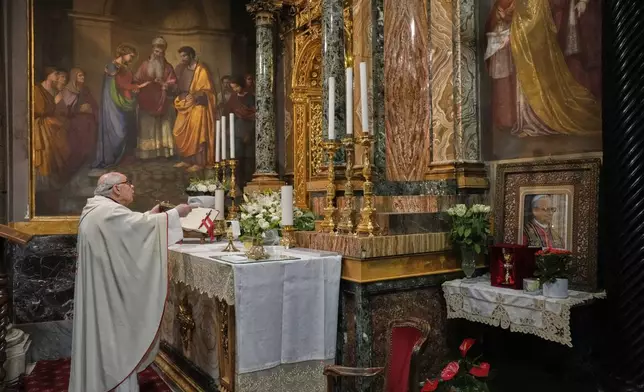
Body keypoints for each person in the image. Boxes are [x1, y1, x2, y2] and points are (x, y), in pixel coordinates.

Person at [69, 172, 192, 392]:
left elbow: (127, 230)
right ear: (116, 189)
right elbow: (129, 229)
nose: (132, 187)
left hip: (102, 291)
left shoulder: (98, 210)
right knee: (114, 341)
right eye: (128, 184)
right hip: (107, 297)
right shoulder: (107, 212)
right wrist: (174, 214)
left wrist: (150, 215)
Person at [485, 0, 601, 136]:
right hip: (523, 34)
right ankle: (526, 117)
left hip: (534, 36)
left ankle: (537, 116)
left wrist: (514, 34)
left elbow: (533, 20)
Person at [93, 44, 150, 169]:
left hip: (126, 101)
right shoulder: (112, 67)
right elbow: (118, 86)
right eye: (130, 56)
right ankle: (113, 158)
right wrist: (138, 86)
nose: (131, 59)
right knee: (119, 130)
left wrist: (135, 87)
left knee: (128, 129)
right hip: (115, 104)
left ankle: (124, 157)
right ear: (123, 53)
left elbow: (128, 83)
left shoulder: (124, 67)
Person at [172, 46, 217, 172]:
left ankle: (199, 162)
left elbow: (208, 91)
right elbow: (179, 87)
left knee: (197, 135)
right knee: (179, 131)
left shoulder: (201, 70)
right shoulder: (181, 69)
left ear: (191, 55)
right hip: (184, 104)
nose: (182, 58)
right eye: (181, 56)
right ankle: (186, 160)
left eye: (185, 56)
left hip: (198, 106)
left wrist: (195, 96)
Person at [134, 36, 177, 159]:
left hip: (163, 101)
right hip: (146, 100)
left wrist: (165, 84)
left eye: (161, 51)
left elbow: (173, 82)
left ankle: (164, 152)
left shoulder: (168, 67)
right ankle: (148, 153)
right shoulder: (144, 65)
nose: (158, 54)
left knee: (164, 126)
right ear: (152, 50)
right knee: (147, 127)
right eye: (156, 51)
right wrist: (141, 85)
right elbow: (136, 80)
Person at [58, 67, 98, 173]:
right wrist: (78, 110)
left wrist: (90, 109)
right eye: (80, 75)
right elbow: (64, 109)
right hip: (73, 119)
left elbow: (94, 104)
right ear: (74, 77)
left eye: (83, 75)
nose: (83, 77)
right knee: (79, 129)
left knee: (90, 125)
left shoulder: (85, 89)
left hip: (87, 118)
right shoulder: (67, 90)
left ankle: (86, 161)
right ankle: (76, 164)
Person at [226, 76, 256, 186]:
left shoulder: (250, 97)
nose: (235, 89)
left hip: (249, 128)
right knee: (237, 157)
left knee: (248, 159)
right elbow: (228, 111)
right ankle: (238, 184)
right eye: (233, 88)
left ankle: (248, 183)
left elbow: (254, 114)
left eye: (236, 87)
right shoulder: (233, 97)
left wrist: (249, 132)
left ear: (241, 85)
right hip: (237, 130)